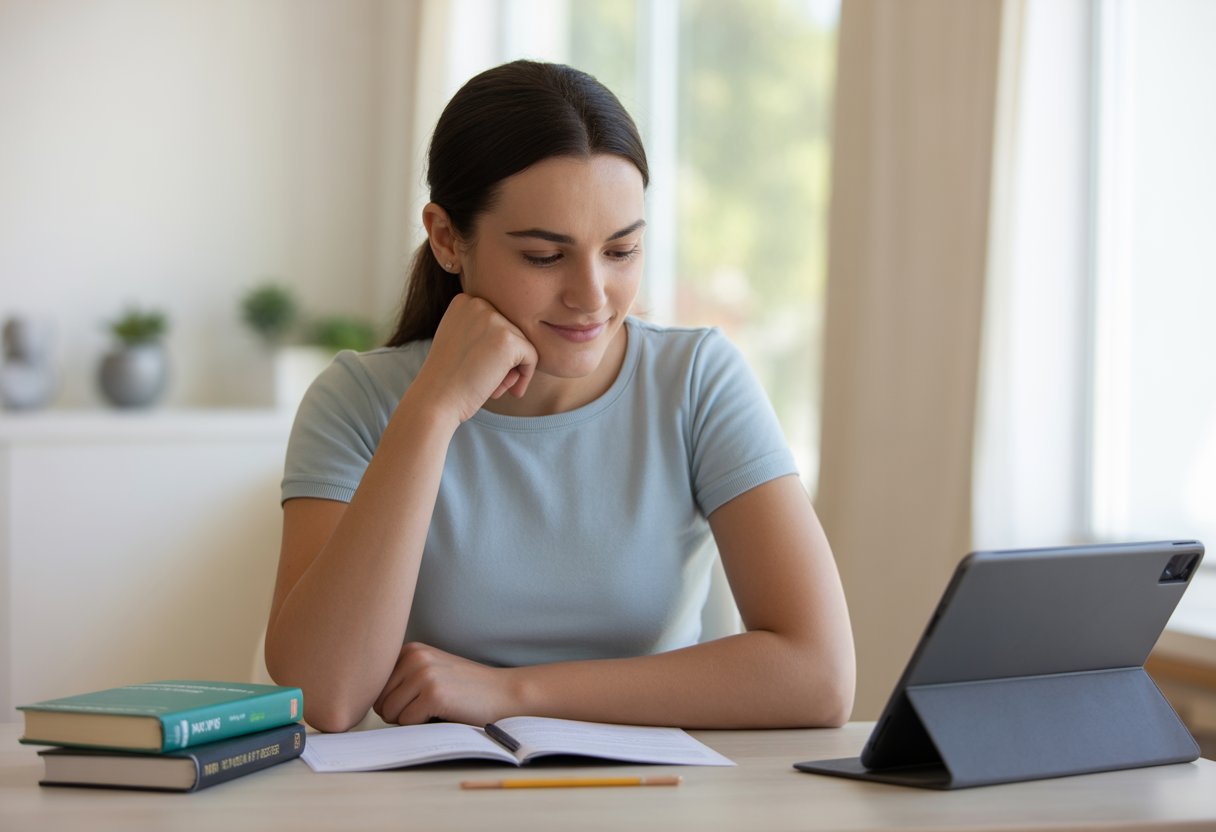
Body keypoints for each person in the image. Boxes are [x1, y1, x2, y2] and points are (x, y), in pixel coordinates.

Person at [264, 60, 855, 734]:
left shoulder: (696, 378)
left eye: (621, 250)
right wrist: (433, 411)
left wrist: (509, 693)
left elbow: (820, 677)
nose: (592, 296)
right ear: (448, 237)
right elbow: (328, 695)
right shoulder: (357, 400)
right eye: (545, 257)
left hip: (650, 797)